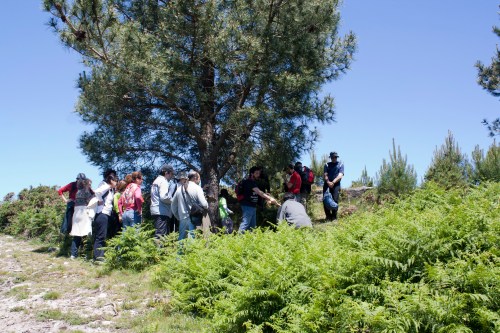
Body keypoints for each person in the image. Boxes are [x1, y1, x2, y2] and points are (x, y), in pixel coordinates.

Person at [239, 166, 279, 233]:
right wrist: (270, 198)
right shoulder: (248, 182)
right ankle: (237, 241)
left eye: (259, 173)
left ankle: (250, 241)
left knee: (252, 227)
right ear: (252, 174)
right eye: (256, 173)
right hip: (247, 206)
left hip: (253, 206)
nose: (258, 175)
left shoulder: (253, 182)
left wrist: (266, 195)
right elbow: (259, 192)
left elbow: (258, 192)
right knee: (245, 224)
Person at [171, 171, 208, 241]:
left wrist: (178, 216)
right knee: (192, 240)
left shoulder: (179, 189)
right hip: (194, 218)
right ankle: (191, 252)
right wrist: (207, 206)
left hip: (182, 218)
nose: (200, 180)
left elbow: (173, 205)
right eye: (199, 178)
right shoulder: (197, 188)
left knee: (181, 239)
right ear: (195, 178)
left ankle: (180, 252)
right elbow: (204, 204)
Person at [92, 173, 117, 261]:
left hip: (104, 214)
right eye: (115, 181)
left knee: (101, 235)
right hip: (102, 213)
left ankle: (98, 256)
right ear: (111, 180)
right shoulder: (106, 186)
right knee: (100, 236)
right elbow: (97, 192)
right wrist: (100, 200)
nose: (116, 182)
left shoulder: (111, 189)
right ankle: (98, 257)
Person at [70, 176, 95, 259]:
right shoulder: (86, 191)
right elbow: (89, 201)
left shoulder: (78, 192)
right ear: (86, 184)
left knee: (77, 234)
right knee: (86, 233)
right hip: (83, 212)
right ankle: (87, 254)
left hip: (76, 213)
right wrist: (95, 195)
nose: (90, 186)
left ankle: (73, 254)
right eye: (90, 184)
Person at [150, 164, 176, 239]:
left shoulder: (156, 181)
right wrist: (173, 201)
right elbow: (164, 197)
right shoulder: (163, 181)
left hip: (156, 209)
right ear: (166, 173)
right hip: (162, 211)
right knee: (160, 235)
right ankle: (158, 250)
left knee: (159, 233)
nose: (171, 176)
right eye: (171, 174)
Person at [323, 151, 344, 221]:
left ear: (337, 157)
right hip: (327, 184)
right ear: (331, 158)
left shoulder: (340, 164)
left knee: (335, 199)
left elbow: (340, 175)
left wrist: (333, 182)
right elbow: (325, 174)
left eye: (335, 157)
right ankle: (328, 216)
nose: (334, 158)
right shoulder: (326, 165)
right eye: (332, 157)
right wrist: (328, 182)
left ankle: (334, 216)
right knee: (326, 199)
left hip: (336, 184)